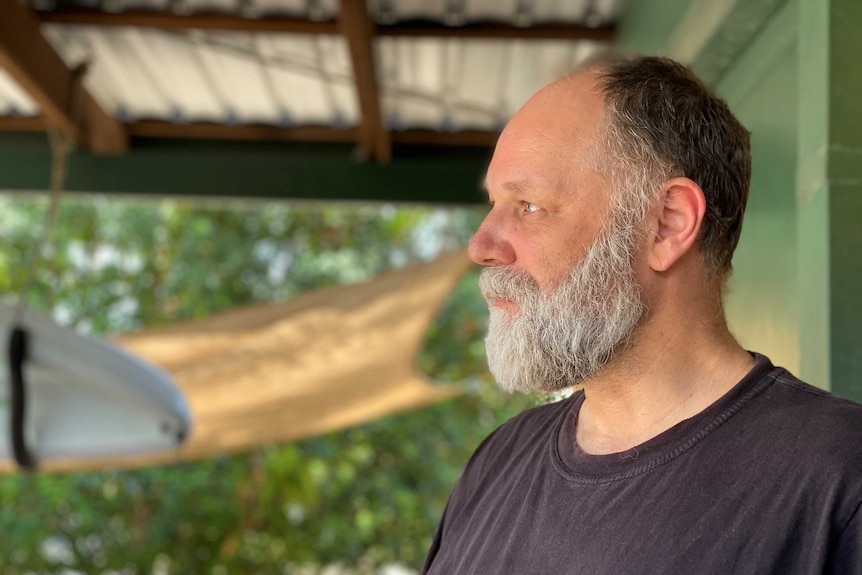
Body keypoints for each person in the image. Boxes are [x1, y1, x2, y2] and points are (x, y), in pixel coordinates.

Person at [421, 55, 862, 574]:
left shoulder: (838, 479)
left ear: (667, 224)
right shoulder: (497, 463)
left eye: (529, 206)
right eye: (493, 204)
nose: (482, 246)